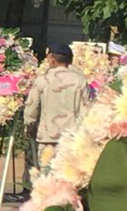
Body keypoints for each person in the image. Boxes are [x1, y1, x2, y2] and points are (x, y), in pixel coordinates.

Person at [23, 42, 88, 175]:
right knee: (67, 176)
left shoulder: (43, 80)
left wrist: (29, 126)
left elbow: (31, 108)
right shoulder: (80, 81)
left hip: (47, 136)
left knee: (46, 177)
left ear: (51, 58)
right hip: (71, 137)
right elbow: (85, 110)